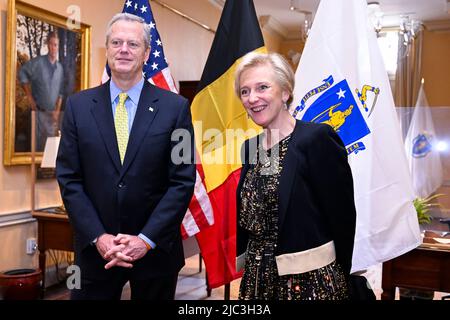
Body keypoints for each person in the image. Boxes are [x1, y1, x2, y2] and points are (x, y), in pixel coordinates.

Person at [56, 13, 195, 300]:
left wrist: (144, 240)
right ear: (106, 49)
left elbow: (181, 181)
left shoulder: (176, 108)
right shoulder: (77, 107)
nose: (123, 50)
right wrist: (99, 237)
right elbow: (69, 178)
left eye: (133, 44)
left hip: (155, 254)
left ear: (146, 53)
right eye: (116, 42)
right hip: (94, 256)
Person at [234, 52, 357, 300]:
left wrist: (339, 273)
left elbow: (342, 217)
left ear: (285, 92)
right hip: (257, 279)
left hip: (309, 282)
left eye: (262, 87)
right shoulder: (250, 147)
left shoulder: (316, 139)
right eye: (245, 91)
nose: (252, 98)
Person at [19, 31, 64, 151]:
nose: (53, 48)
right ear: (47, 45)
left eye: (56, 45)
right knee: (36, 149)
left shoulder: (60, 69)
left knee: (49, 152)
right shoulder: (38, 63)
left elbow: (60, 92)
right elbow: (22, 72)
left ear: (58, 47)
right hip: (38, 115)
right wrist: (29, 97)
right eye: (51, 44)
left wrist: (57, 111)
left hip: (51, 117)